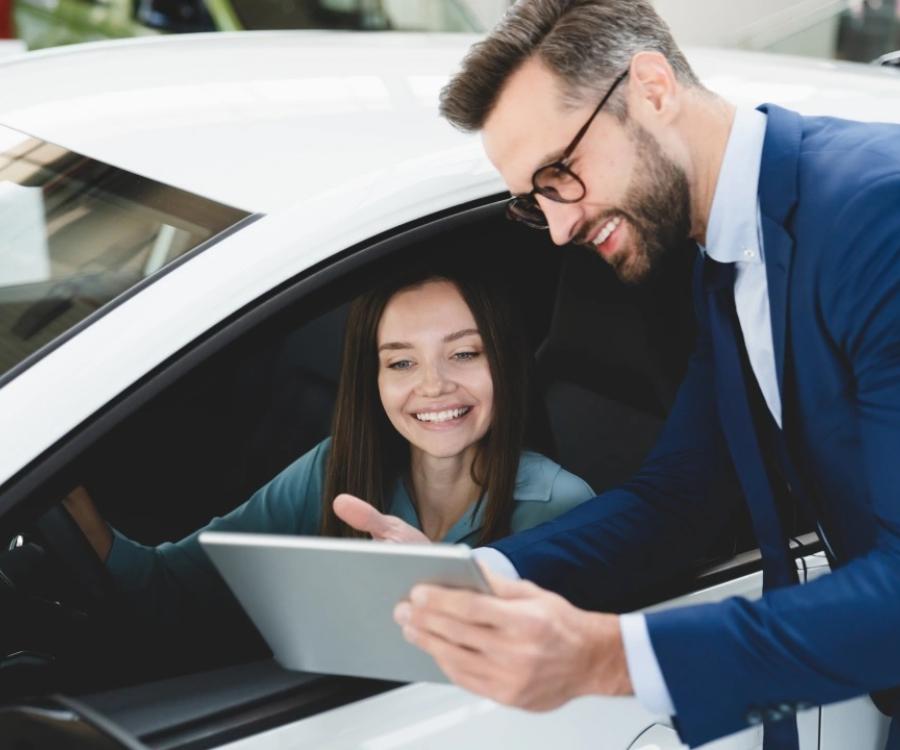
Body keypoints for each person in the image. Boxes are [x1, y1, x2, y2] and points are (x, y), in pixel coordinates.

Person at [334, 2, 900, 749]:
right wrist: (473, 577)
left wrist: (608, 659)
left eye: (559, 174)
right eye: (533, 200)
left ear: (653, 88)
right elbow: (682, 495)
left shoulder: (877, 214)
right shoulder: (726, 253)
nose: (560, 226)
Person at [64, 265, 594, 629]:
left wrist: (444, 586)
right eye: (402, 362)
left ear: (504, 361)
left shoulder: (561, 505)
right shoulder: (335, 468)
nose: (433, 385)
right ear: (374, 379)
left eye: (464, 353)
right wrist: (66, 500)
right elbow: (170, 587)